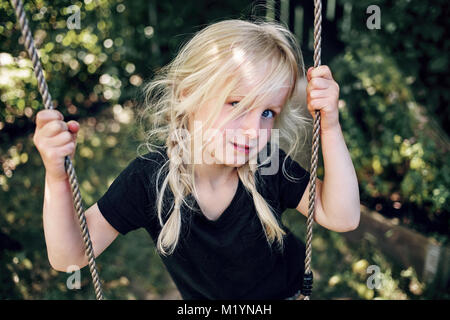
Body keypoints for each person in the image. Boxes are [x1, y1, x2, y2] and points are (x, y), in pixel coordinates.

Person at [33, 19, 360, 300]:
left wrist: (329, 124)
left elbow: (342, 216)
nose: (252, 130)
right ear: (188, 94)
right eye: (237, 104)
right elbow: (70, 257)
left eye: (267, 112)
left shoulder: (268, 165)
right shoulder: (149, 180)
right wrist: (56, 177)